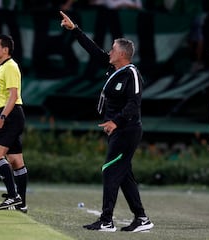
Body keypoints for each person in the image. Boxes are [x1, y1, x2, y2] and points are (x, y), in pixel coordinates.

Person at [60, 11, 154, 232]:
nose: (109, 51)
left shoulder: (131, 73)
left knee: (110, 170)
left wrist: (116, 122)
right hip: (120, 130)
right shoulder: (115, 68)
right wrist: (75, 30)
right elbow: (94, 51)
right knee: (123, 174)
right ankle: (141, 218)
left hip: (127, 130)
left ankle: (106, 220)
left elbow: (134, 103)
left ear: (122, 54)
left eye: (112, 49)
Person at [0, 34, 28, 213]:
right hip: (9, 113)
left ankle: (13, 196)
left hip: (11, 116)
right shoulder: (2, 68)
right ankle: (22, 203)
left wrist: (2, 118)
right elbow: (3, 99)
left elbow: (13, 96)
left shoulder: (10, 67)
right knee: (16, 160)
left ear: (5, 49)